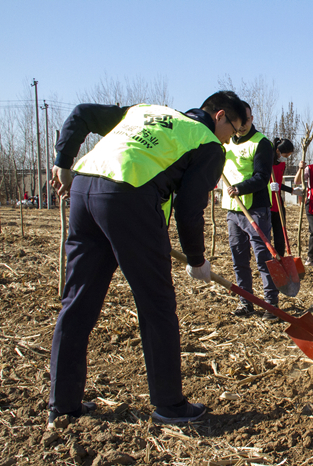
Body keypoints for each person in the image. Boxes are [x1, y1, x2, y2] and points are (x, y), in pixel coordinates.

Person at [48, 91, 246, 425]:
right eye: (235, 131)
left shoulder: (146, 111)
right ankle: (170, 404)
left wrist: (63, 162)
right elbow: (189, 207)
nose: (231, 140)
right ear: (220, 116)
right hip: (129, 197)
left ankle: (63, 405)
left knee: (78, 302)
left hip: (83, 190)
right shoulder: (208, 144)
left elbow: (81, 112)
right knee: (157, 304)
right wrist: (197, 259)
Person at [221, 102, 279, 321]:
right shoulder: (226, 142)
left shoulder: (261, 143)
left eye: (246, 121)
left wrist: (240, 188)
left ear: (251, 118)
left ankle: (271, 305)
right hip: (232, 209)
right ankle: (246, 302)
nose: (242, 125)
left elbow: (262, 176)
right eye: (239, 121)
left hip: (255, 210)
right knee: (238, 258)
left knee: (263, 258)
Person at [270, 138, 295, 257]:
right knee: (266, 235)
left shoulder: (282, 164)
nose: (286, 157)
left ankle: (279, 258)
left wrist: (292, 190)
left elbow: (279, 184)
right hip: (267, 204)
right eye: (285, 155)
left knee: (280, 235)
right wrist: (267, 187)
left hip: (278, 204)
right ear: (278, 150)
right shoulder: (266, 161)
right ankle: (268, 259)